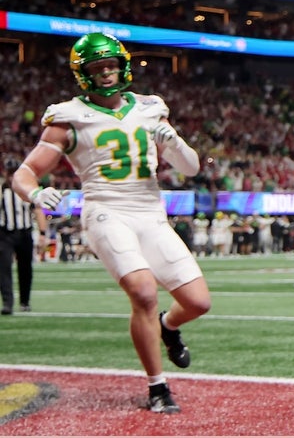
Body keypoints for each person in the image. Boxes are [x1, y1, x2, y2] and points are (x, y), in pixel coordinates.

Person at [11, 32, 212, 413]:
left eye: (111, 65)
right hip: (106, 212)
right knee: (144, 293)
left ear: (123, 66)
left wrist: (174, 143)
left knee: (199, 302)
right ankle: (157, 387)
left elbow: (190, 168)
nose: (106, 73)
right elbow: (23, 173)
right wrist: (35, 194)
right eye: (97, 67)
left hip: (151, 213)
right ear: (83, 74)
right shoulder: (67, 117)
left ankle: (168, 327)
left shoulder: (151, 107)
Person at [1, 161, 48, 315]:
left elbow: (38, 210)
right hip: (5, 233)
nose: (12, 176)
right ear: (6, 173)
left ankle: (25, 302)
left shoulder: (27, 188)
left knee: (25, 268)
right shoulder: (2, 189)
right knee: (4, 268)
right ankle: (7, 303)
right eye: (10, 173)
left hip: (25, 233)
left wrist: (42, 234)